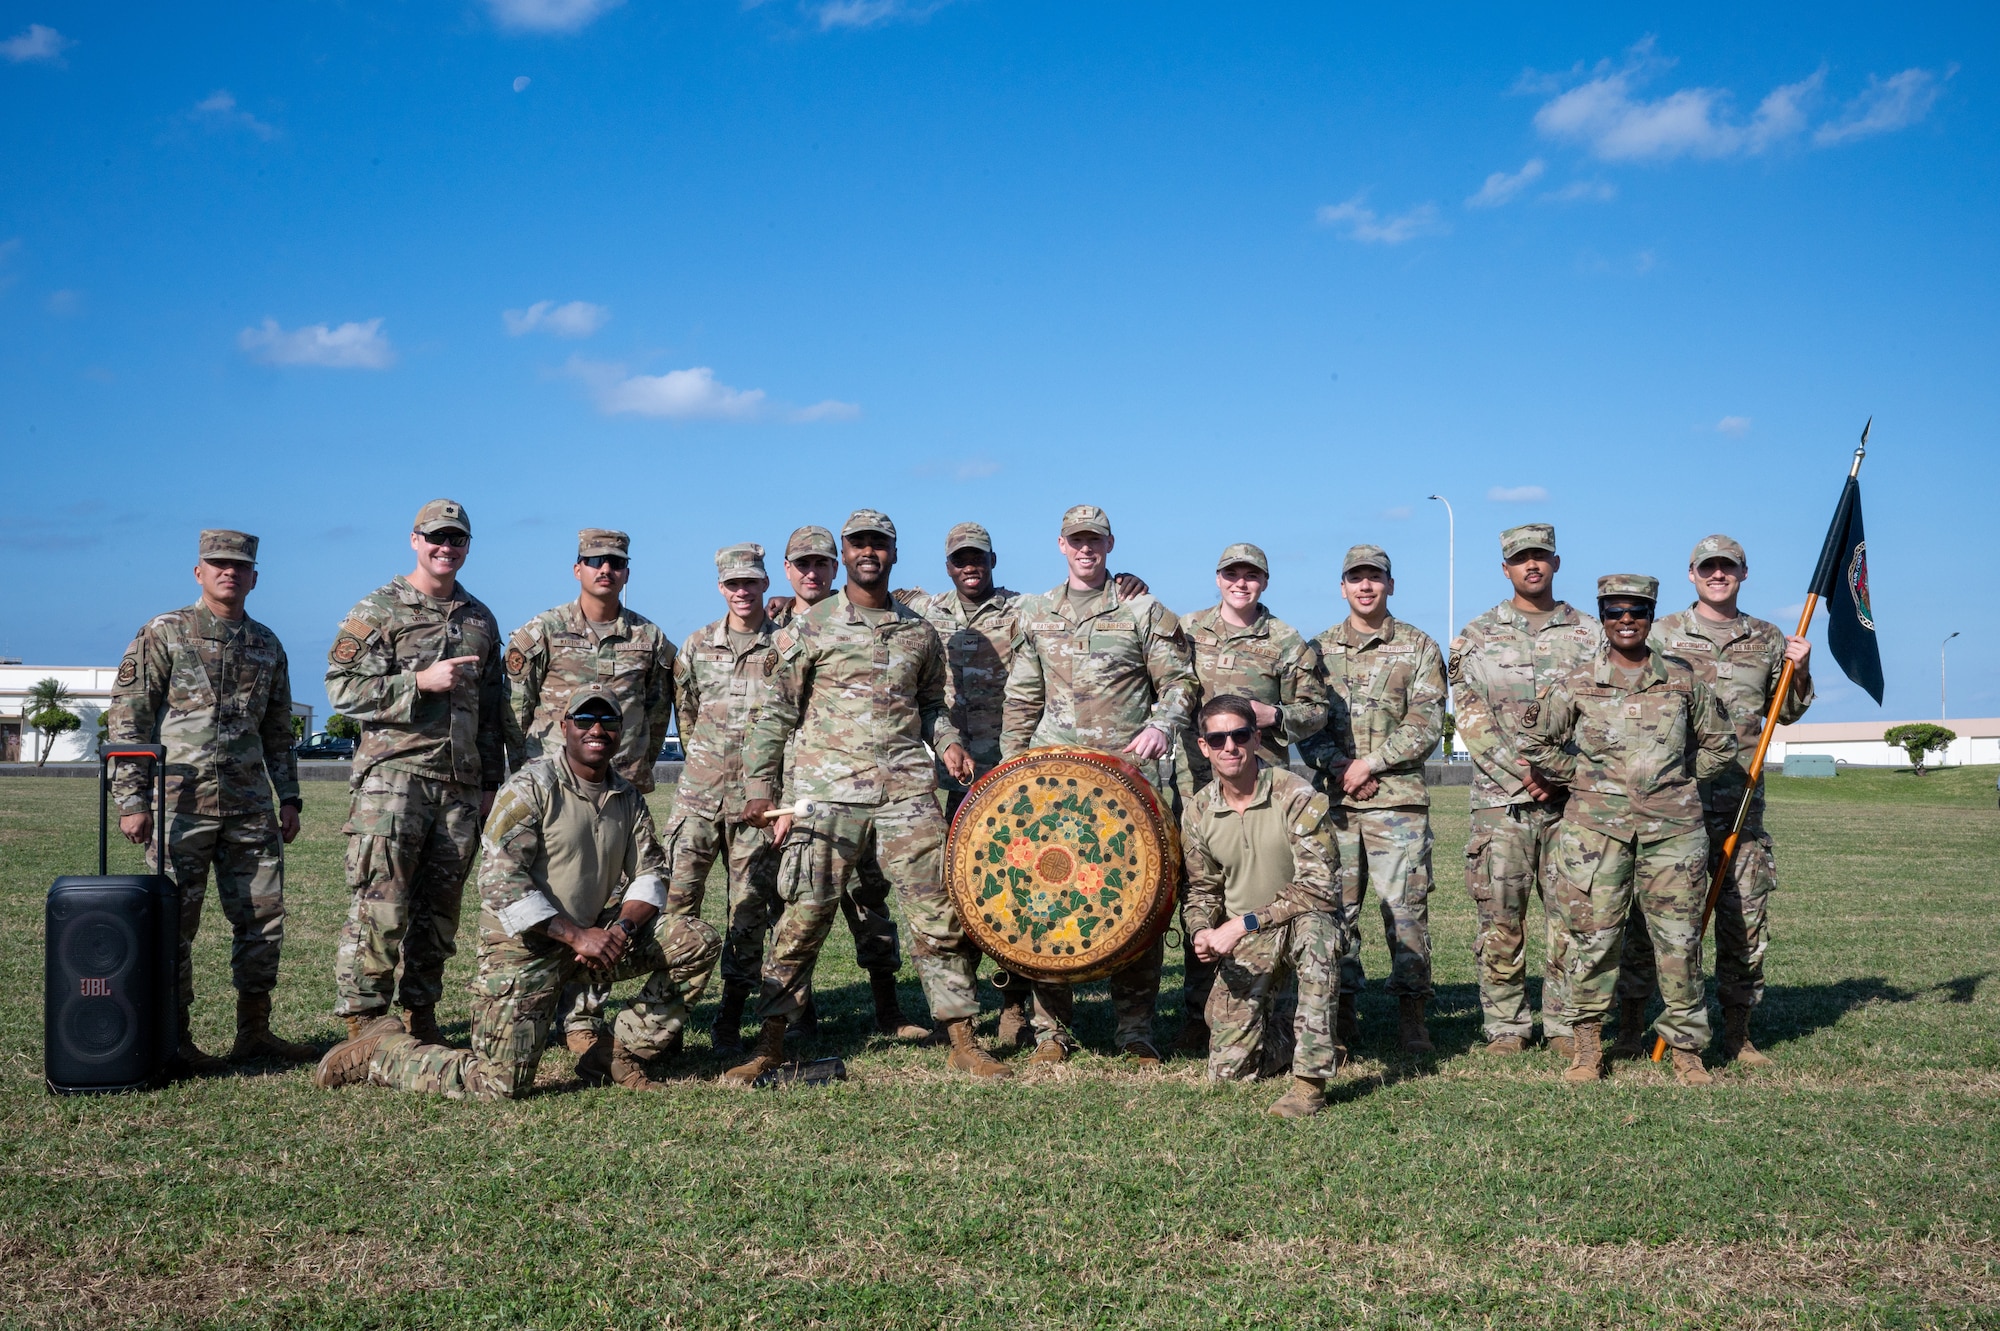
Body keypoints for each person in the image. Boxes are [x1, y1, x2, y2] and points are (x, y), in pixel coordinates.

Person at [313, 689, 722, 1099]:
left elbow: (651, 873)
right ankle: (382, 1051)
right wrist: (576, 936)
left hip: (594, 941)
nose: (597, 729)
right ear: (565, 727)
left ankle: (613, 1053)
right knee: (498, 1085)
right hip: (525, 948)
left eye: (608, 721)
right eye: (584, 720)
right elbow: (501, 882)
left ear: (620, 732)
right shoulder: (531, 787)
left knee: (694, 940)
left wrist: (621, 929)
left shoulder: (627, 796)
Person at [729, 510, 1007, 1084]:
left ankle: (960, 1036)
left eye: (879, 544)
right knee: (803, 917)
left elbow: (932, 706)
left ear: (894, 553)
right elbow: (776, 711)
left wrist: (949, 742)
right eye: (858, 544)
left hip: (906, 792)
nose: (868, 553)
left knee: (938, 914)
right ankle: (771, 1042)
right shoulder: (810, 628)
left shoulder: (918, 631)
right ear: (846, 554)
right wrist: (761, 787)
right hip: (826, 795)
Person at [106, 529, 316, 1075]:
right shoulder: (166, 633)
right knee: (174, 926)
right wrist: (132, 799)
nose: (229, 572)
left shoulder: (267, 644)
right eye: (218, 564)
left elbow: (278, 730)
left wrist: (288, 796)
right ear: (198, 571)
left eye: (240, 566)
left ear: (254, 577)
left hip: (250, 807)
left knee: (262, 922)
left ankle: (255, 1032)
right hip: (180, 803)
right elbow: (130, 718)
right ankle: (175, 1038)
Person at [1517, 575, 1737, 1086]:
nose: (1626, 620)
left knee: (1679, 944)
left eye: (1636, 611)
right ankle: (1587, 1047)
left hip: (1673, 832)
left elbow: (1721, 744)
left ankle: (1686, 1050)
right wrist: (1579, 777)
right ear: (1602, 617)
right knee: (1593, 940)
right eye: (1615, 612)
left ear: (1651, 615)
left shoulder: (1683, 681)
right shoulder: (1577, 681)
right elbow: (1534, 738)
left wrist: (1678, 781)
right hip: (1595, 831)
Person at [1001, 504, 1198, 1066]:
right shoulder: (1035, 613)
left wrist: (1163, 725)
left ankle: (1136, 1030)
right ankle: (1050, 1033)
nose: (1086, 549)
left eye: (1095, 540)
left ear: (1110, 544)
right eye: (1076, 541)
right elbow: (1021, 698)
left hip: (1128, 783)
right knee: (1046, 901)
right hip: (1051, 787)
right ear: (1061, 546)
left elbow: (1180, 682)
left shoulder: (1142, 610)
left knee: (1139, 901)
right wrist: (1008, 775)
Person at [1616, 535, 1814, 1064]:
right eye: (1709, 568)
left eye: (1728, 567)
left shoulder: (1768, 638)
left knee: (1742, 921)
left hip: (1740, 805)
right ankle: (1631, 1024)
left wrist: (1802, 668)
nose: (1718, 575)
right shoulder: (1661, 634)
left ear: (1744, 573)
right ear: (1691, 574)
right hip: (1670, 804)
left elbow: (1787, 711)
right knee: (1647, 921)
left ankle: (1739, 1034)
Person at [325, 499, 505, 1044]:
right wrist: (416, 685)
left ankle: (421, 1014)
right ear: (414, 540)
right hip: (394, 780)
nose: (445, 547)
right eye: (436, 537)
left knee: (440, 912)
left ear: (468, 547)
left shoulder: (480, 618)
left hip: (460, 784)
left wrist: (491, 782)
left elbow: (493, 707)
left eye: (456, 539)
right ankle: (365, 1020)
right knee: (381, 903)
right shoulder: (378, 610)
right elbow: (341, 688)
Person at [501, 528, 678, 1058]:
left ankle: (582, 1021)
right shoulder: (542, 632)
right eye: (595, 561)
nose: (606, 570)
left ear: (627, 572)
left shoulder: (649, 639)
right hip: (551, 795)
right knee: (555, 900)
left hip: (617, 795)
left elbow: (657, 707)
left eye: (616, 563)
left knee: (607, 906)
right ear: (576, 568)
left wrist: (639, 772)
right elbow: (513, 709)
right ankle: (541, 1001)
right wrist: (520, 780)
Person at [1448, 524, 1602, 1058]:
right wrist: (1521, 776)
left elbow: (1600, 712)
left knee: (1570, 917)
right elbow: (1469, 715)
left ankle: (1564, 1026)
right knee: (1499, 920)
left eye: (1540, 557)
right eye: (1520, 559)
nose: (1531, 566)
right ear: (1505, 569)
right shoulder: (1474, 636)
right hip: (1500, 804)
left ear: (1556, 563)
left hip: (1571, 804)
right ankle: (1507, 1026)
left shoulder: (1591, 633)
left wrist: (1558, 773)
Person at [1175, 542, 1328, 1053]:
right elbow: (1165, 679)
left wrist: (1275, 717)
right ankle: (1200, 1012)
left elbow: (1315, 709)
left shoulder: (1285, 640)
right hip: (1197, 785)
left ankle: (1291, 1013)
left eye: (1251, 576)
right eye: (1232, 575)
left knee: (1270, 893)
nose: (1241, 584)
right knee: (1202, 891)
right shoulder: (1187, 629)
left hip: (1266, 790)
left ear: (1264, 582)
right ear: (1218, 578)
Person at [763, 522, 909, 1040]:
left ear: (835, 566)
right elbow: (771, 718)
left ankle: (889, 1009)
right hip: (810, 796)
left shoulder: (896, 614)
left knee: (872, 907)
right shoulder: (777, 625)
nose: (811, 571)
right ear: (787, 571)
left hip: (879, 791)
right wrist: (774, 801)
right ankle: (793, 1022)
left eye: (820, 563)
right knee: (801, 909)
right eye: (801, 564)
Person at [895, 521, 1035, 1048]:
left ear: (993, 560)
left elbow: (1074, 614)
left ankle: (1015, 1005)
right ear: (947, 566)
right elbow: (859, 604)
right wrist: (785, 608)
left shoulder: (1024, 611)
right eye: (959, 560)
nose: (969, 566)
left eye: (977, 558)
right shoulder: (926, 611)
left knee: (1015, 891)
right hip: (952, 780)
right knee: (955, 893)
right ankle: (959, 1012)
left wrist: (1128, 580)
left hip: (1010, 775)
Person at [1300, 544, 1445, 1053]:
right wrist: (1341, 767)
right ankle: (1341, 1017)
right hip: (1336, 805)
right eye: (1355, 578)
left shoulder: (1419, 646)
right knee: (1334, 913)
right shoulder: (1314, 651)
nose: (1366, 586)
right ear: (1342, 586)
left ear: (1390, 584)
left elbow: (1425, 723)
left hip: (1396, 802)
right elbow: (1306, 722)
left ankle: (1413, 1018)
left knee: (1404, 912)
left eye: (1375, 578)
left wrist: (1371, 763)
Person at [1182, 695, 1344, 1118]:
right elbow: (1201, 891)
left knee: (1318, 937)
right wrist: (1200, 929)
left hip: (1298, 919)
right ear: (1204, 747)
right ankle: (1292, 1033)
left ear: (1256, 738)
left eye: (1239, 735)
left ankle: (1309, 1086)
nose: (1229, 747)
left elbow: (1321, 887)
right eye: (1217, 739)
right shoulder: (1198, 811)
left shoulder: (1294, 793)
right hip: (1248, 937)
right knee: (1228, 1072)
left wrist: (1242, 924)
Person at [663, 543, 786, 1054]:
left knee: (749, 915)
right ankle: (665, 1021)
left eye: (750, 582)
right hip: (697, 801)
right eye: (733, 584)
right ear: (721, 588)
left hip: (756, 807)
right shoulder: (695, 646)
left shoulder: (786, 646)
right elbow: (686, 717)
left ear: (764, 585)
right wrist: (706, 768)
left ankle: (730, 1022)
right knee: (675, 909)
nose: (742, 591)